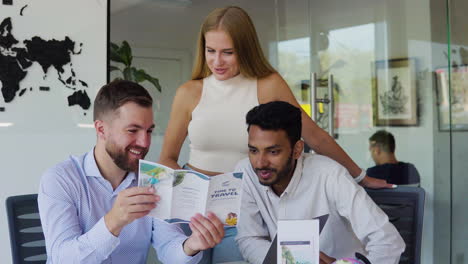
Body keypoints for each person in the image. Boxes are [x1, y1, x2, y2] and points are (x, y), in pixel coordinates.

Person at [158, 6, 392, 263]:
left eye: (228, 52)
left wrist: (360, 176)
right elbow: (167, 157)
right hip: (194, 211)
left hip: (242, 211)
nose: (217, 61)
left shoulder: (268, 85)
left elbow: (314, 135)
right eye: (210, 51)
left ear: (245, 49)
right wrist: (189, 191)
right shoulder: (189, 92)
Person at [38, 80, 225, 264]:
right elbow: (62, 258)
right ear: (101, 129)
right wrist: (113, 221)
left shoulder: (154, 179)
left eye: (149, 131)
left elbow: (169, 246)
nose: (144, 142)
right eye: (133, 130)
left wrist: (191, 245)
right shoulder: (60, 179)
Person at [234, 101, 405, 264]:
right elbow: (249, 239)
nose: (260, 163)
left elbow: (389, 241)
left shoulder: (329, 175)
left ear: (297, 150)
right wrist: (293, 258)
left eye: (273, 152)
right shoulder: (245, 173)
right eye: (253, 150)